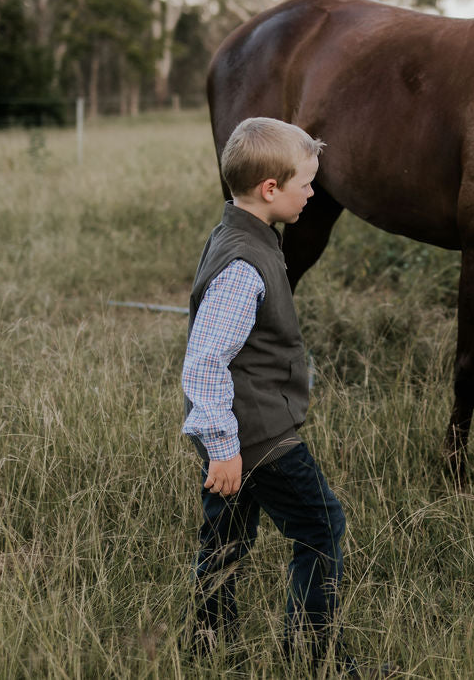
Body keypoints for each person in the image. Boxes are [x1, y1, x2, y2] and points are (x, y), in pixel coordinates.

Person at [181, 117, 346, 669]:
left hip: (237, 431)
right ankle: (310, 658)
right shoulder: (244, 265)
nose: (313, 192)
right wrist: (225, 445)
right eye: (306, 183)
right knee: (321, 526)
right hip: (256, 435)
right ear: (270, 190)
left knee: (226, 538)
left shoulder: (242, 232)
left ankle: (205, 646)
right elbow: (205, 362)